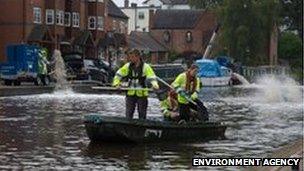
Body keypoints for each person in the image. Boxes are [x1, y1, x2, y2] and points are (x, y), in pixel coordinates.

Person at [112, 49, 159, 120]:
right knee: (129, 113)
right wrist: (116, 84)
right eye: (130, 57)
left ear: (138, 57)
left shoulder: (146, 67)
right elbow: (118, 75)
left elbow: (152, 77)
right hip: (130, 93)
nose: (130, 59)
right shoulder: (127, 66)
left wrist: (155, 85)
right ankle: (128, 128)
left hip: (142, 94)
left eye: (132, 57)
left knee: (142, 113)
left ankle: (141, 129)